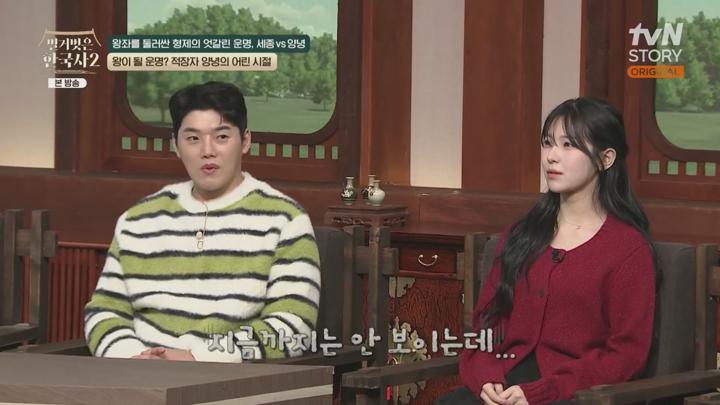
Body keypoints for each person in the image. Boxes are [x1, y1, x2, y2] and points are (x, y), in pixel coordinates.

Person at [439, 97, 658, 405]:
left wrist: (544, 392)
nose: (552, 157)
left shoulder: (627, 250)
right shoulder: (522, 234)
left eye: (569, 145)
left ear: (605, 158)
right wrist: (486, 377)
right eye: (547, 143)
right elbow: (488, 324)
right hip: (503, 388)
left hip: (575, 395)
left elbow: (626, 355)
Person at [83, 81, 320, 362]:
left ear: (245, 141)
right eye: (193, 138)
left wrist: (198, 357)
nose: (207, 151)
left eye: (221, 137)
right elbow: (105, 311)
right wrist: (135, 358)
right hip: (138, 375)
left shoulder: (285, 219)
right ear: (176, 145)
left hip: (231, 380)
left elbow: (293, 326)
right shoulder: (137, 220)